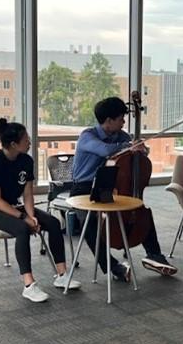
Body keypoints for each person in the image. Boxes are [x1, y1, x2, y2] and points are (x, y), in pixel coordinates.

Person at [68, 96, 176, 280]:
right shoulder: (87, 135)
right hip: (84, 187)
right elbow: (105, 150)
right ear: (108, 121)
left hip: (113, 186)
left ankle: (155, 256)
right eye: (120, 119)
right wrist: (129, 146)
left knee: (141, 211)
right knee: (90, 224)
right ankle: (113, 267)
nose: (123, 122)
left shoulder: (121, 135)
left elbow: (139, 153)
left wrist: (142, 149)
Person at [0, 119, 79, 303]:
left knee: (53, 223)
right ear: (14, 144)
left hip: (13, 206)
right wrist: (24, 218)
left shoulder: (26, 160)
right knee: (22, 228)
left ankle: (62, 275)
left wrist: (31, 216)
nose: (30, 141)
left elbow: (28, 194)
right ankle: (29, 285)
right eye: (26, 139)